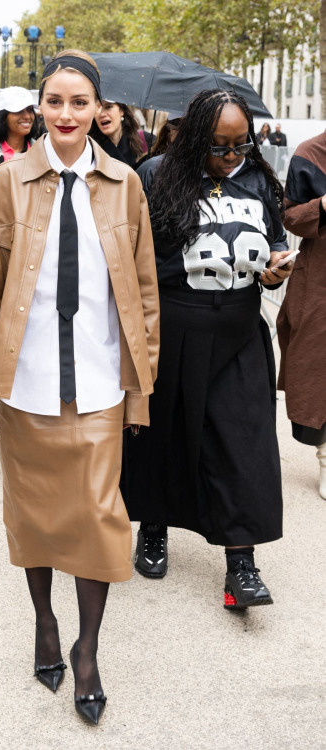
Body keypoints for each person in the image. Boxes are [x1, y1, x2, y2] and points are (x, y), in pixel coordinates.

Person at [0, 49, 159, 724]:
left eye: (81, 102)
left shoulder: (126, 183)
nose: (67, 113)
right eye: (55, 101)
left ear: (100, 110)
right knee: (36, 518)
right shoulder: (7, 182)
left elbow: (145, 294)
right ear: (38, 107)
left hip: (101, 384)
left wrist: (141, 386)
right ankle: (44, 622)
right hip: (28, 384)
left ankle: (89, 650)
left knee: (100, 520)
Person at [121, 89, 295, 611]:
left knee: (244, 441)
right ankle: (153, 527)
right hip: (175, 324)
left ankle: (241, 563)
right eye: (219, 144)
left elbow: (275, 243)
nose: (231, 155)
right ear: (195, 136)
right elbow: (133, 256)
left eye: (241, 144)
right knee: (163, 432)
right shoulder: (155, 175)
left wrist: (273, 270)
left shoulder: (260, 179)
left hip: (241, 327)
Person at [276, 131, 326, 499]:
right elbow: (290, 215)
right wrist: (321, 206)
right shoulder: (311, 152)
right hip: (321, 279)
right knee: (317, 371)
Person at [90, 100, 149, 167]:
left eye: (108, 107)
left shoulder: (147, 140)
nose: (102, 114)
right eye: (97, 108)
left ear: (121, 110)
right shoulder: (88, 149)